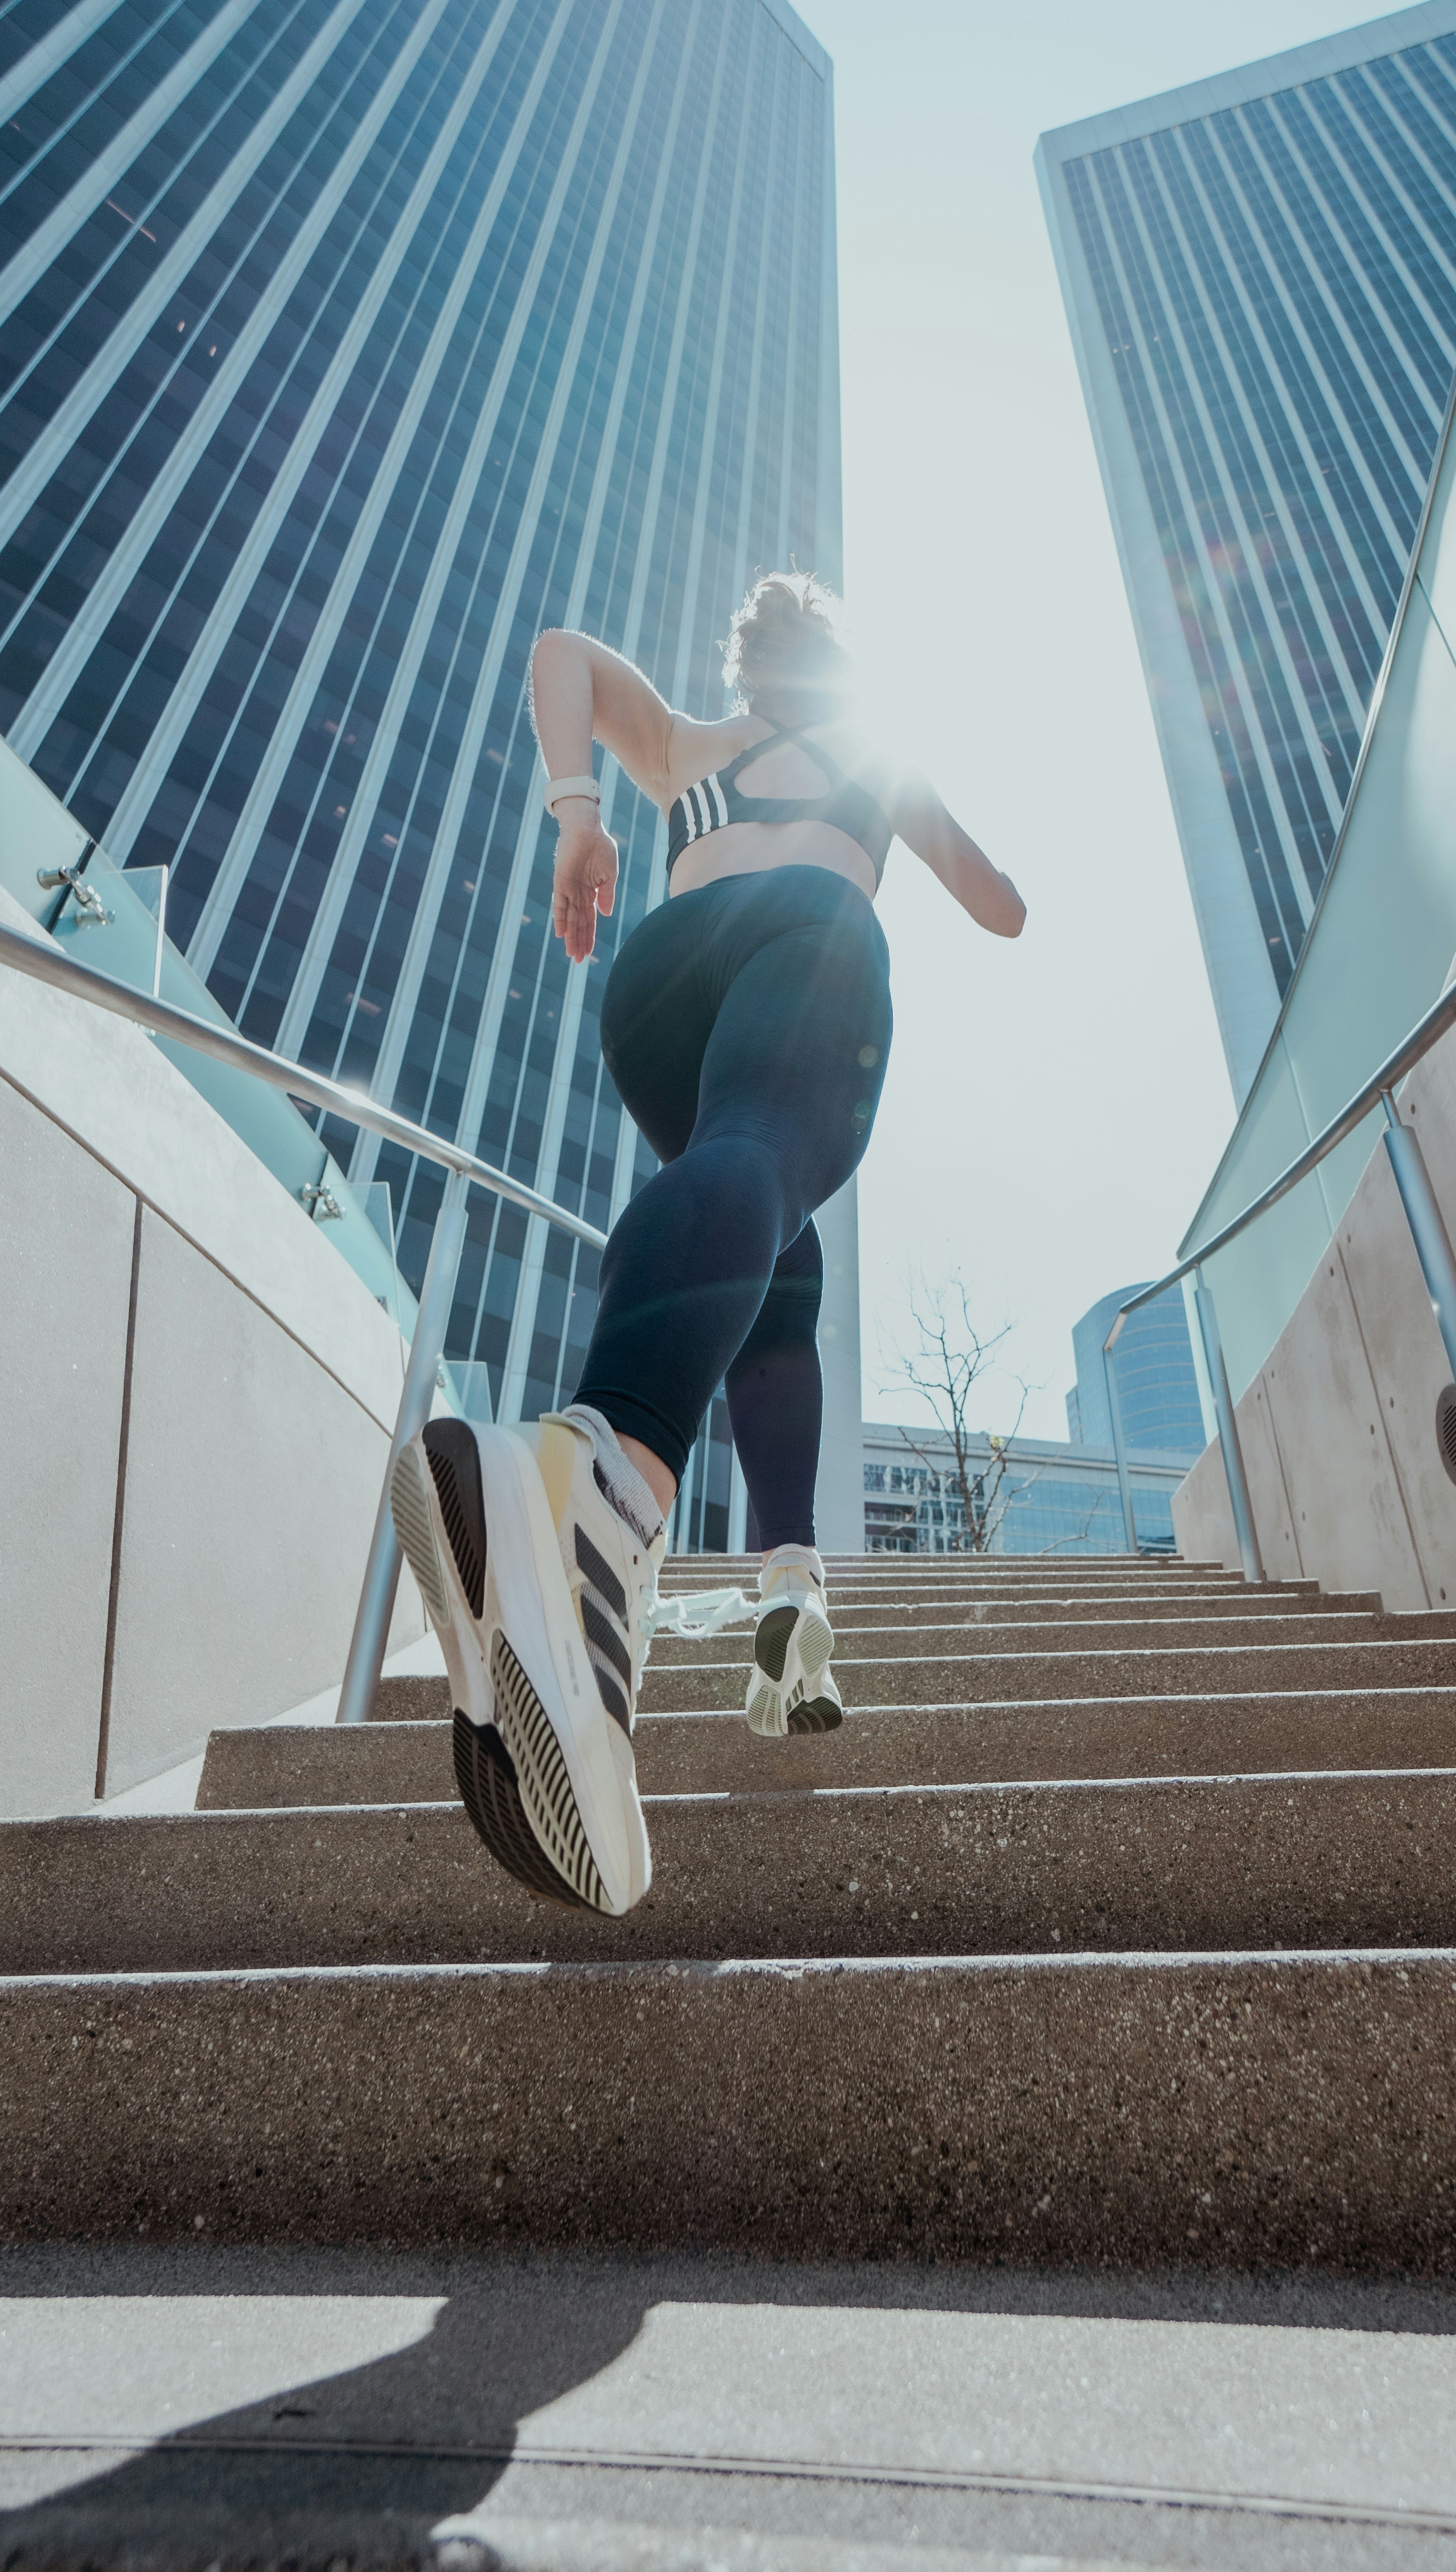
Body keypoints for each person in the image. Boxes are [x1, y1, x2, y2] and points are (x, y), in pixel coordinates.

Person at [388, 573, 1025, 1914]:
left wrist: (581, 818)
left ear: (749, 667)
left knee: (763, 1245)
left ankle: (790, 1587)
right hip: (811, 936)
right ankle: (601, 1484)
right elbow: (1002, 904)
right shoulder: (872, 752)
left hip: (662, 976)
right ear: (837, 661)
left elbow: (559, 649)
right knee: (760, 1160)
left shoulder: (688, 746)